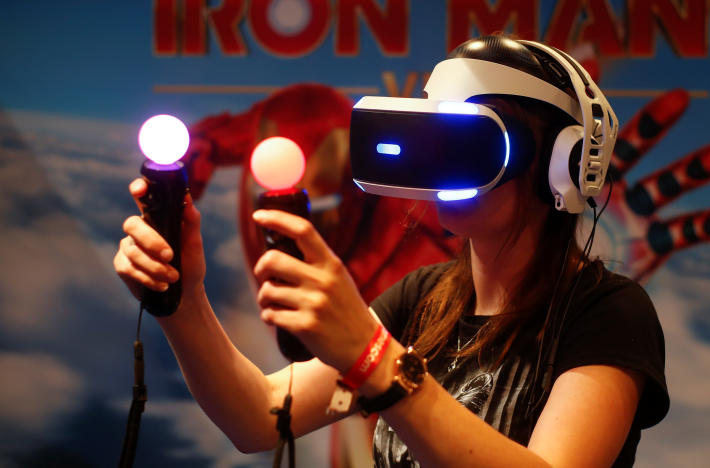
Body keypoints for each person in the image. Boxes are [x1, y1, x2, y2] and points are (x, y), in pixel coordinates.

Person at [114, 36, 668, 468]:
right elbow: (259, 417)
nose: (439, 167)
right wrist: (183, 303)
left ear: (563, 165)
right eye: (434, 137)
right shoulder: (422, 299)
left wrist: (375, 360)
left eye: (468, 143)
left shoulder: (608, 314)